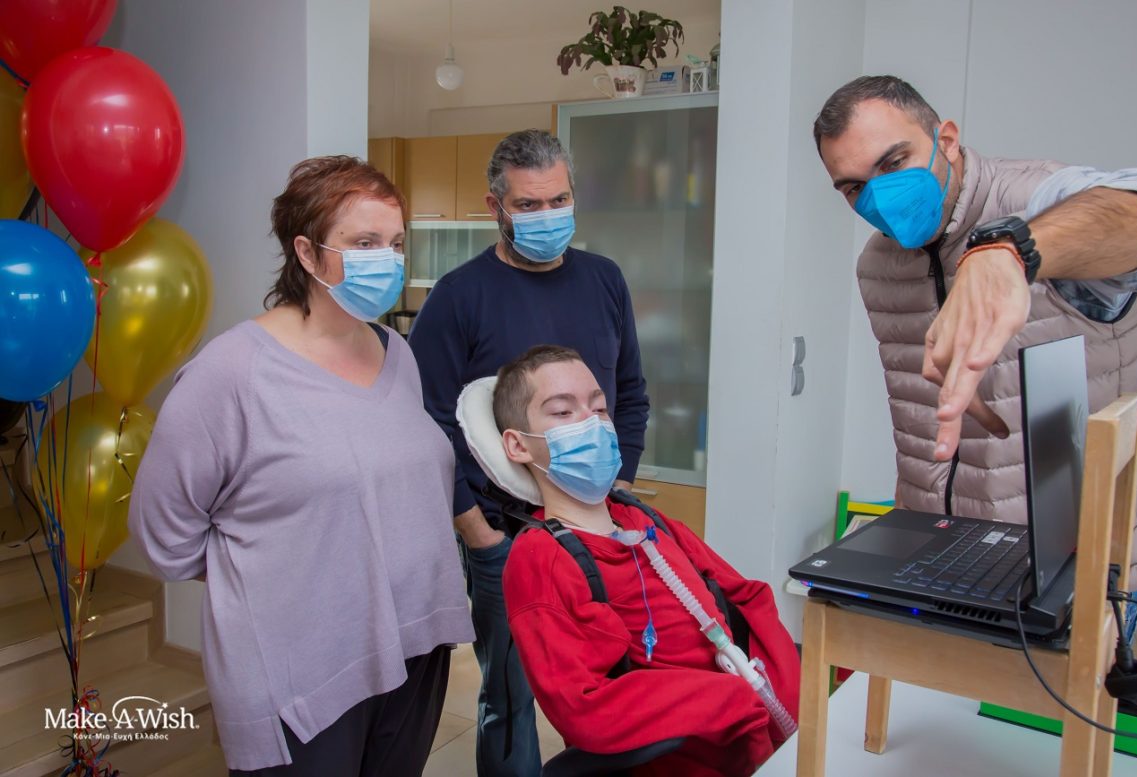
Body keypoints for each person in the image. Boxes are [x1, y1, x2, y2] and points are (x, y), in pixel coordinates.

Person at [128, 156, 474, 775]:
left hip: (414, 645)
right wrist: (275, 579)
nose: (387, 259)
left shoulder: (397, 354)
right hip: (302, 668)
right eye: (363, 243)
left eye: (395, 243)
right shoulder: (231, 373)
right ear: (307, 254)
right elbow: (164, 533)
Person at [813, 75, 1137, 593]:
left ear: (947, 140)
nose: (879, 198)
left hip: (1080, 568)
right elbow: (914, 420)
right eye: (854, 187)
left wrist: (1012, 249)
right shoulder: (877, 264)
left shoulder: (1038, 198)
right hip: (944, 556)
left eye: (893, 163)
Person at [408, 129, 650, 775]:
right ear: (496, 206)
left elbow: (629, 393)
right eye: (529, 205)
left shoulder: (604, 280)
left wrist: (618, 485)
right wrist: (477, 533)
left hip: (599, 523)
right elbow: (426, 423)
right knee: (510, 698)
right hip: (506, 532)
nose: (548, 216)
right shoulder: (458, 296)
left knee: (621, 683)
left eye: (559, 200)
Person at [487, 345, 799, 776]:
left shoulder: (645, 520)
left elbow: (747, 598)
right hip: (686, 757)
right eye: (562, 412)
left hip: (760, 735)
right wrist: (735, 700)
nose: (592, 423)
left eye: (599, 407)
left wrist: (788, 694)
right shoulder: (540, 558)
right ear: (518, 445)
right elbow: (583, 707)